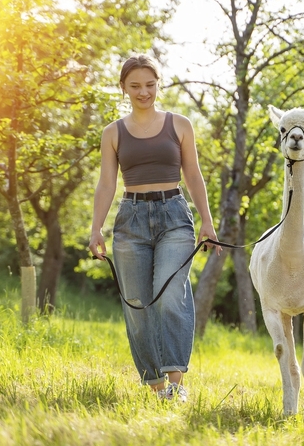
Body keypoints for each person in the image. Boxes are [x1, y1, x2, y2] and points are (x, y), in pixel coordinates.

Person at [88, 53, 220, 402]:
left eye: (150, 84)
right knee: (137, 303)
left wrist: (207, 220)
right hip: (130, 220)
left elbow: (193, 174)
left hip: (174, 215)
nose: (143, 92)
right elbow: (106, 184)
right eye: (135, 86)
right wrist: (95, 228)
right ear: (124, 88)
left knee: (169, 292)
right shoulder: (112, 132)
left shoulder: (179, 125)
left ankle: (176, 384)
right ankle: (154, 386)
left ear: (158, 83)